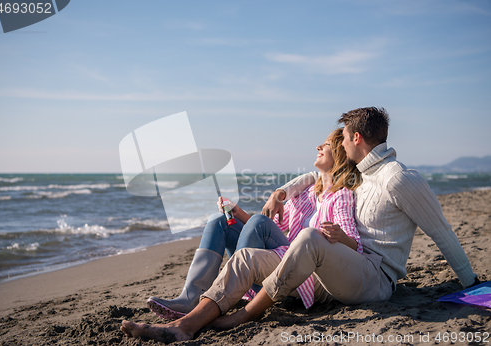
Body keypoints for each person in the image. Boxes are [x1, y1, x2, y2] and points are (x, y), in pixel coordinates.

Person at [121, 107, 478, 343]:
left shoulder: (399, 179)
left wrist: (474, 287)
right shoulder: (358, 175)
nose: (337, 144)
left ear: (356, 138)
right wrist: (282, 190)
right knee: (245, 257)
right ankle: (185, 326)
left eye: (343, 137)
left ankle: (244, 313)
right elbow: (317, 174)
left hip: (375, 279)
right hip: (335, 268)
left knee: (307, 235)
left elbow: (442, 232)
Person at [147, 128, 360, 320]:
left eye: (327, 144)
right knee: (218, 221)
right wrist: (238, 213)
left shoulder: (341, 196)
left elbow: (356, 246)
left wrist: (338, 236)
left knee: (259, 220)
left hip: (296, 272)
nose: (319, 147)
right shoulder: (305, 193)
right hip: (274, 257)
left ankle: (238, 291)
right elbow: (268, 233)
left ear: (340, 154)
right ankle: (191, 297)